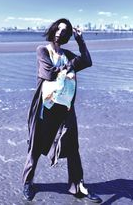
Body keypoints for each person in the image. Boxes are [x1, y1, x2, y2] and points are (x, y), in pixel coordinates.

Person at [22, 18, 102, 203]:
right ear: (53, 30)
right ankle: (28, 182)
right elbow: (48, 73)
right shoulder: (42, 50)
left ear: (67, 35)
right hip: (44, 107)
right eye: (58, 28)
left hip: (64, 108)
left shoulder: (67, 53)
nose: (60, 32)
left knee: (73, 147)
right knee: (34, 147)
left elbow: (87, 61)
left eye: (64, 31)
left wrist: (80, 40)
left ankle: (77, 186)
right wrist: (69, 67)